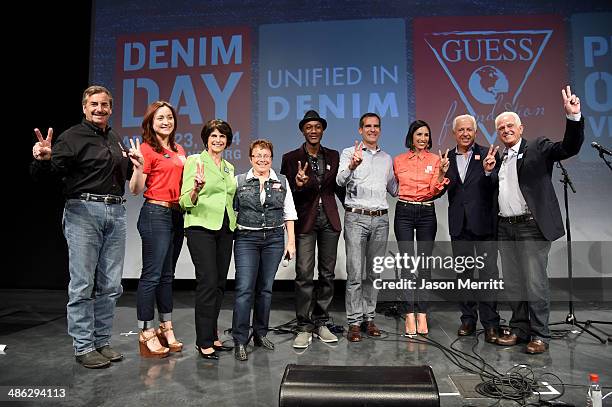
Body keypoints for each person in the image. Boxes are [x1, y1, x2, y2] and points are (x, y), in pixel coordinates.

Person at [30, 85, 138, 368]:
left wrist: (134, 164)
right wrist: (42, 159)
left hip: (115, 211)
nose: (99, 109)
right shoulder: (72, 137)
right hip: (83, 211)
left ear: (111, 108)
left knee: (112, 285)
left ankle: (102, 341)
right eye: (94, 104)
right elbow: (47, 173)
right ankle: (83, 345)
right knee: (82, 284)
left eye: (105, 104)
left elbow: (123, 175)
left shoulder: (114, 138)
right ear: (84, 107)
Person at [483, 85, 584, 354]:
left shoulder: (538, 147)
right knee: (514, 283)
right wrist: (489, 173)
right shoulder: (501, 158)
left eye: (510, 126)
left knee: (535, 282)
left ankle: (540, 334)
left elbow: (568, 148)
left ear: (521, 128)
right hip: (506, 228)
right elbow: (503, 191)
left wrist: (573, 118)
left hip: (530, 227)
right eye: (501, 127)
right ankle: (519, 329)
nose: (505, 130)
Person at [281, 110, 344, 349]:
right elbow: (286, 195)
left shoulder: (334, 156)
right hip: (305, 220)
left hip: (329, 220)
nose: (314, 130)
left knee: (327, 274)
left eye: (317, 126)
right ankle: (304, 325)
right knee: (304, 274)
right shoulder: (291, 158)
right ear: (303, 130)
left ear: (322, 130)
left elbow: (338, 187)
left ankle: (322, 321)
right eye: (309, 127)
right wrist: (297, 185)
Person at [129, 101, 186, 357]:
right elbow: (135, 189)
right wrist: (139, 167)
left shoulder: (178, 148)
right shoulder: (146, 148)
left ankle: (166, 326)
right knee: (152, 275)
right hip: (155, 213)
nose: (166, 122)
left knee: (167, 276)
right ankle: (145, 331)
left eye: (170, 118)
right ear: (151, 122)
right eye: (160, 118)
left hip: (176, 214)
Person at [231, 139, 297, 361]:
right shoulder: (239, 181)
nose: (262, 159)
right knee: (244, 289)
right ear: (250, 158)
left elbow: (289, 213)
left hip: (274, 239)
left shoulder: (282, 182)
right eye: (258, 155)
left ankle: (260, 333)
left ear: (271, 158)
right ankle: (240, 339)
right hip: (246, 238)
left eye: (266, 155)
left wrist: (291, 242)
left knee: (265, 289)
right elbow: (230, 209)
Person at [336, 112, 398, 342]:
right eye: (367, 126)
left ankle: (368, 319)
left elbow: (395, 189)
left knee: (374, 273)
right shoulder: (349, 153)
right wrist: (352, 166)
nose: (372, 129)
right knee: (354, 273)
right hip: (356, 218)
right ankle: (353, 322)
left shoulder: (387, 158)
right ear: (360, 130)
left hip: (381, 219)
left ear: (379, 130)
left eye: (376, 126)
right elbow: (339, 181)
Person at [180, 119, 237, 360]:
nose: (218, 140)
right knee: (207, 281)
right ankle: (203, 341)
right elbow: (183, 200)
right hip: (200, 227)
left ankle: (212, 335)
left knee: (220, 284)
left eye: (222, 136)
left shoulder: (228, 167)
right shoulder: (195, 161)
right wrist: (196, 189)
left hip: (225, 228)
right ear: (206, 138)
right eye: (214, 136)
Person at [445, 114, 500, 343]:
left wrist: (488, 171)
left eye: (470, 130)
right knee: (464, 276)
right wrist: (439, 174)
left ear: (475, 132)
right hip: (460, 226)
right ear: (454, 133)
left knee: (488, 276)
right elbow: (442, 188)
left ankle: (490, 324)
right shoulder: (446, 157)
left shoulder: (488, 154)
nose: (465, 133)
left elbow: (495, 185)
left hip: (484, 224)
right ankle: (468, 319)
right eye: (461, 130)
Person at [393, 120, 449, 336]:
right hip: (404, 212)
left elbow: (435, 190)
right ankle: (409, 314)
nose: (423, 139)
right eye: (419, 135)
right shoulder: (398, 160)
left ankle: (422, 313)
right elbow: (392, 186)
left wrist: (442, 173)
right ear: (411, 137)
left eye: (426, 135)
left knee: (424, 265)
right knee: (408, 265)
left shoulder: (436, 160)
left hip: (427, 212)